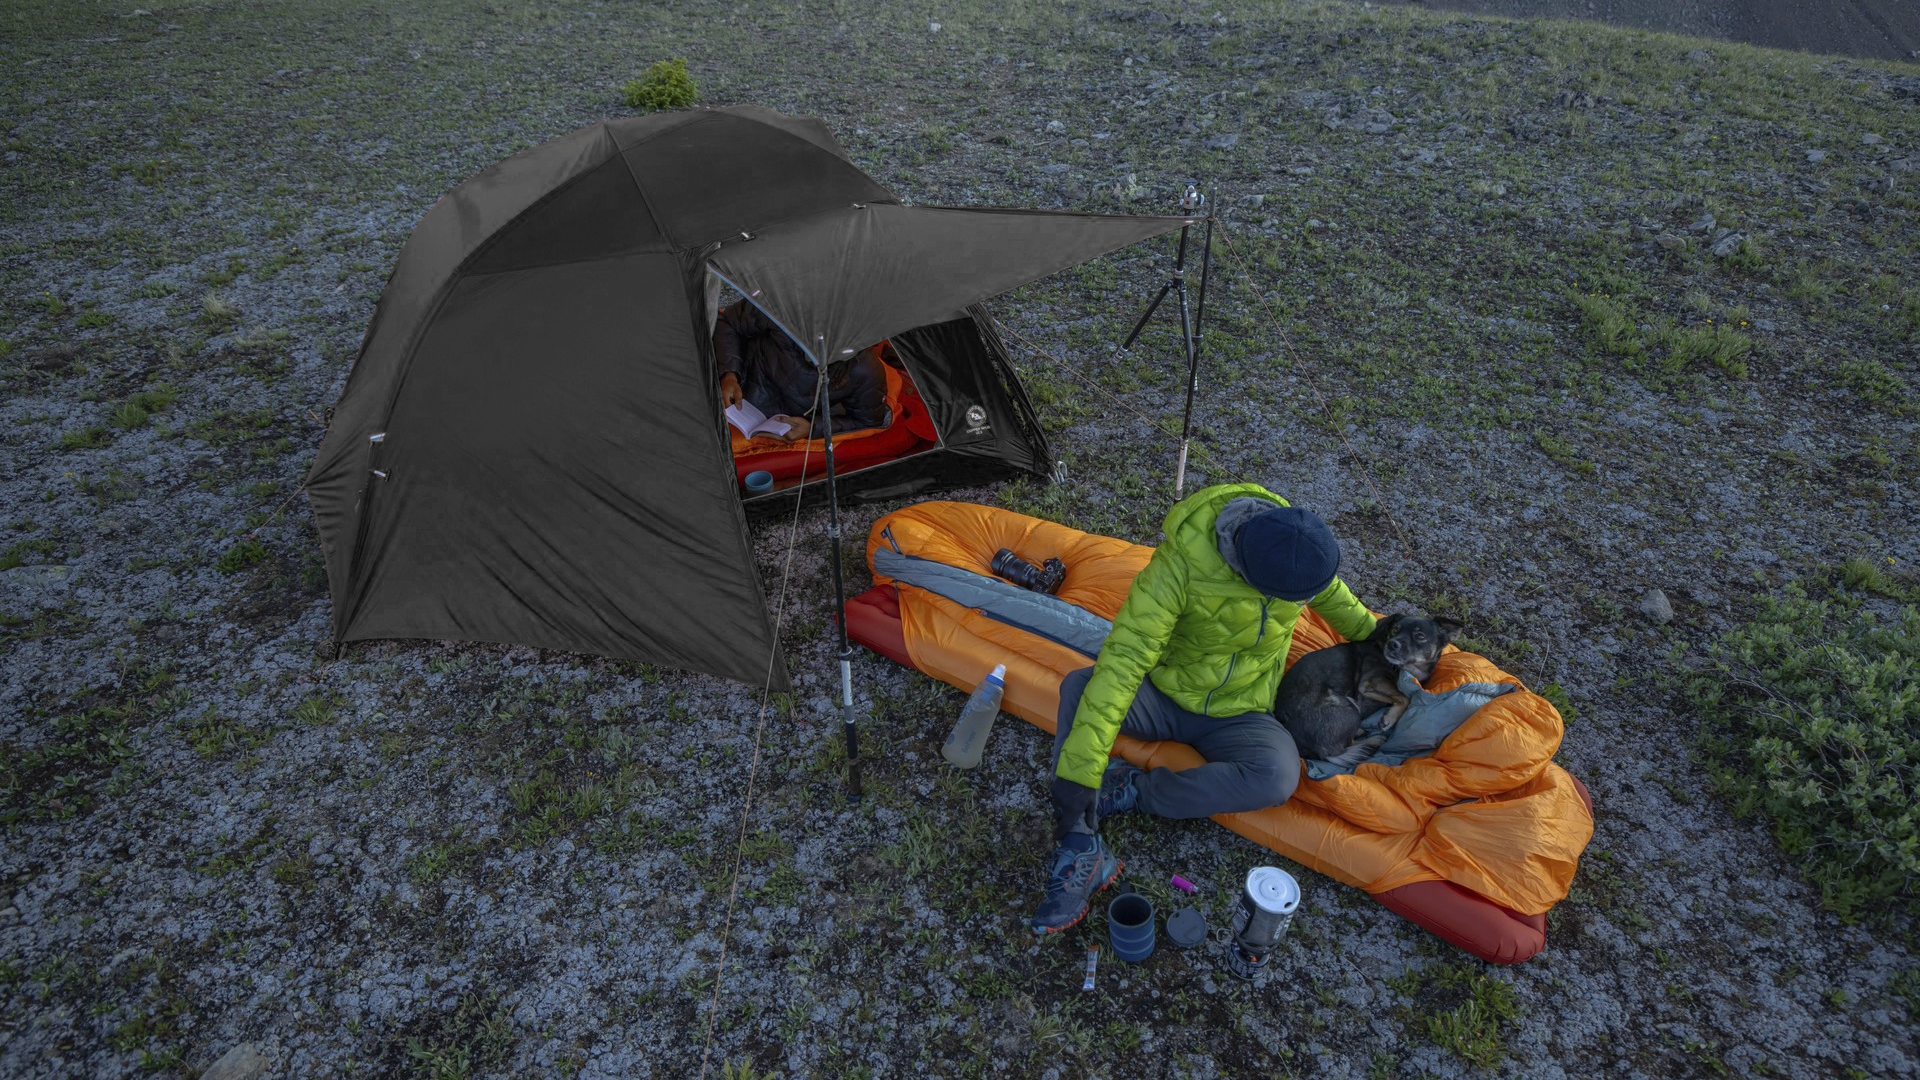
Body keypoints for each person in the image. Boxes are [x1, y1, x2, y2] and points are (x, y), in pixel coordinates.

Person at [1030, 483, 1379, 934]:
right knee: (1081, 687)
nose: (1305, 604)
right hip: (1164, 692)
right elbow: (1125, 660)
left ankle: (1133, 790)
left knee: (1277, 777)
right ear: (1251, 575)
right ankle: (1081, 843)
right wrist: (1078, 777)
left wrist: (1389, 641)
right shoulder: (1179, 568)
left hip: (1243, 709)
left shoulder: (1295, 550)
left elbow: (1340, 604)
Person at [714, 297, 890, 442]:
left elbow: (867, 421)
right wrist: (729, 374)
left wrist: (813, 427)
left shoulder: (865, 369)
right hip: (744, 379)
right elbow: (728, 322)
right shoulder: (783, 305)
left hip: (789, 422)